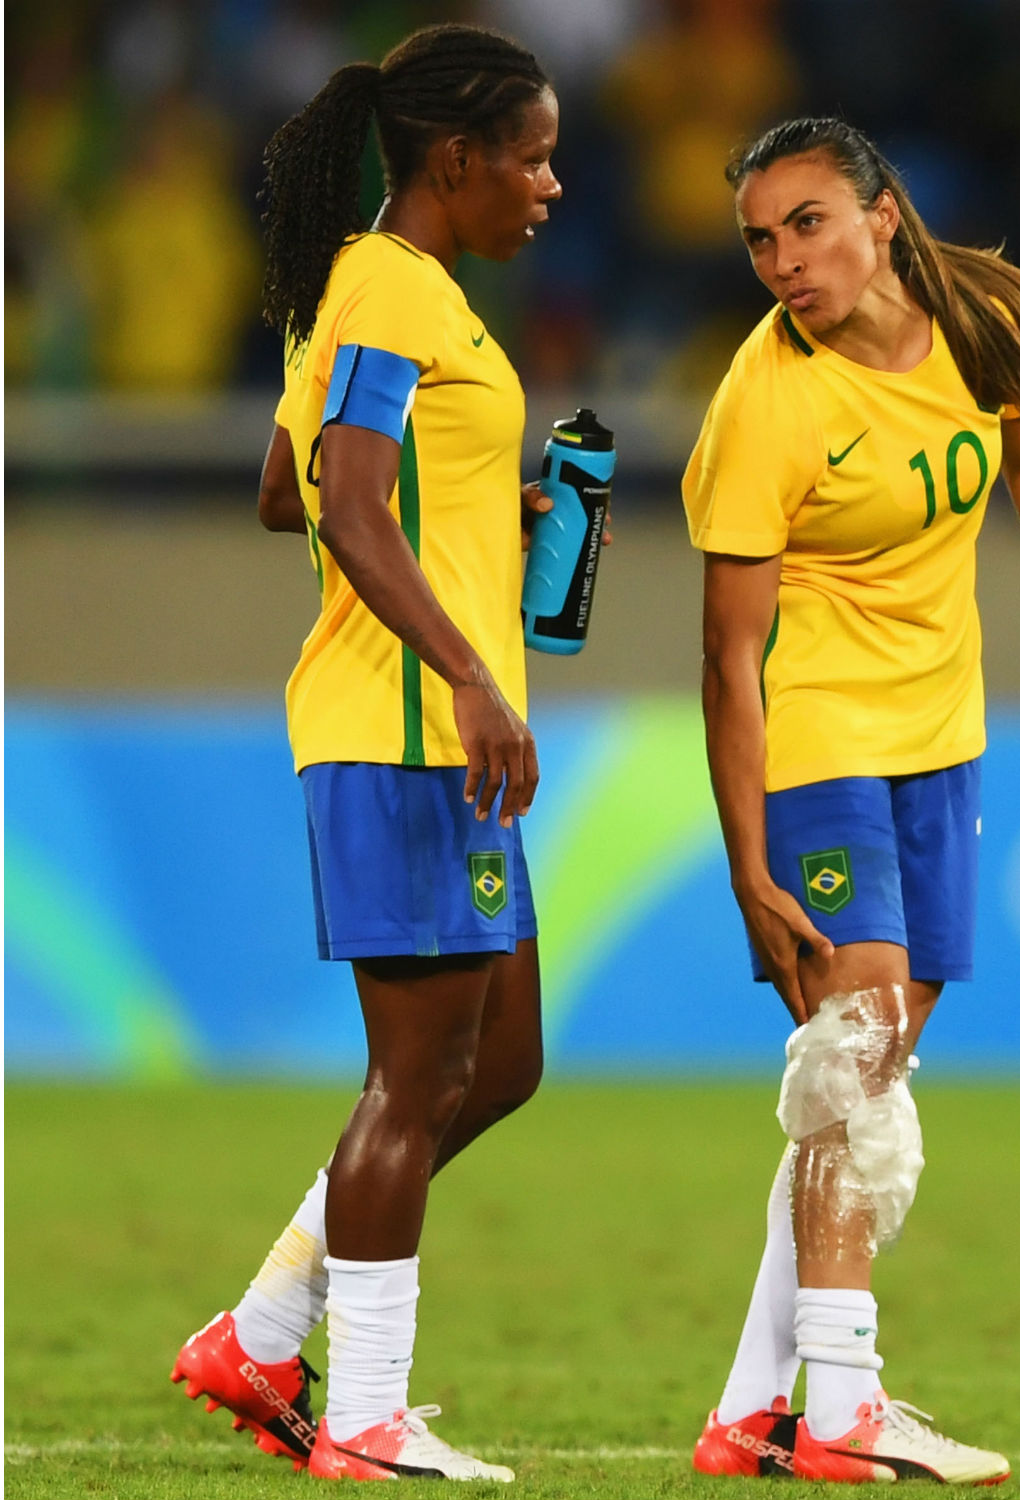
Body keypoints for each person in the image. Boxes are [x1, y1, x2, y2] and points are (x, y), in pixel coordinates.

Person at [682, 117, 1020, 1486]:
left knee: (868, 1075)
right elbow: (724, 660)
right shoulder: (765, 402)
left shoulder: (993, 319)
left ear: (884, 215)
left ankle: (752, 1409)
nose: (783, 261)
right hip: (819, 733)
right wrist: (746, 861)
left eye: (809, 222)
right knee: (855, 1048)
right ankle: (842, 1407)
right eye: (760, 239)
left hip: (943, 736)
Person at [168, 24, 563, 1483]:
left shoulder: (376, 290)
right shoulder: (393, 286)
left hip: (435, 733)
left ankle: (266, 1332)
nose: (551, 183)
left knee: (500, 1061)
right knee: (418, 1078)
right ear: (454, 160)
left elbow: (289, 486)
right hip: (404, 728)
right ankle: (365, 1421)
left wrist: (483, 520)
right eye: (531, 155)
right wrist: (466, 664)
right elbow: (342, 498)